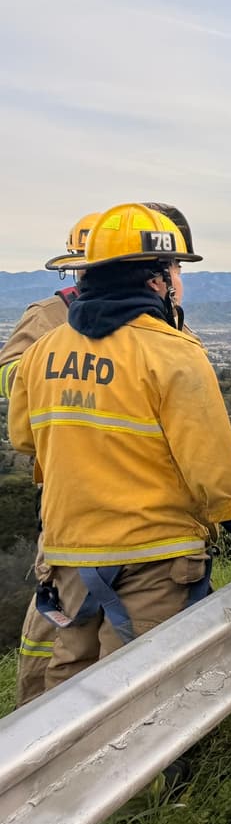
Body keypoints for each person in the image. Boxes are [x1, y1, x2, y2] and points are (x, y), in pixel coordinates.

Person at [7, 203, 231, 696]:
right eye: (174, 269)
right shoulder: (174, 352)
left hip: (70, 552)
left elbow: (26, 440)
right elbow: (211, 465)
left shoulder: (43, 352)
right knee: (138, 697)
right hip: (153, 555)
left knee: (66, 690)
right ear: (155, 281)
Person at [1, 211, 97, 706]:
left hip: (120, 493)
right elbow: (10, 378)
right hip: (64, 489)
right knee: (54, 616)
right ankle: (33, 719)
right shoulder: (48, 316)